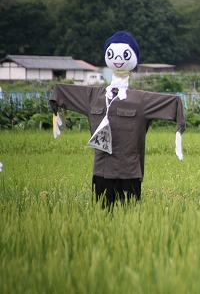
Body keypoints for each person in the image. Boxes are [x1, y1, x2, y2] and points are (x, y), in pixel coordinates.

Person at [50, 31, 185, 207]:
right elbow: (61, 92)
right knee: (102, 214)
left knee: (129, 216)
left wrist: (179, 132)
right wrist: (55, 110)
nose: (119, 59)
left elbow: (173, 103)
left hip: (130, 172)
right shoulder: (94, 97)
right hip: (101, 171)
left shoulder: (141, 100)